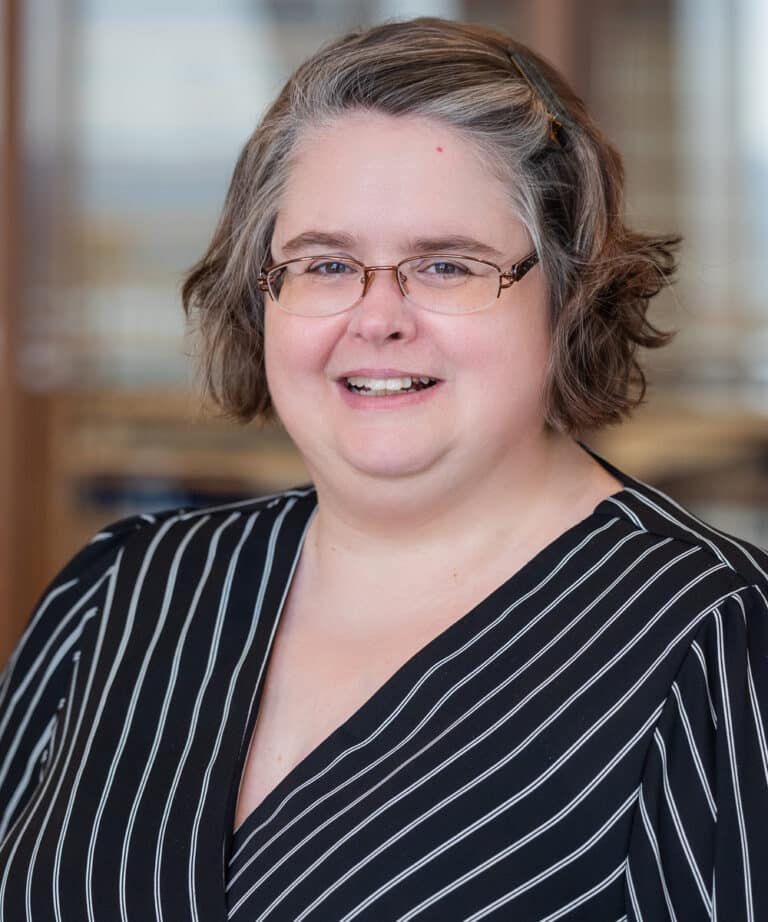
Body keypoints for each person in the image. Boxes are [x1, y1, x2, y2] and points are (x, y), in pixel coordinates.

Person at [1, 15, 766, 922]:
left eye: (446, 265)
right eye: (325, 263)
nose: (377, 318)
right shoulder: (125, 590)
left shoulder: (720, 645)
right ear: (263, 293)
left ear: (569, 293)